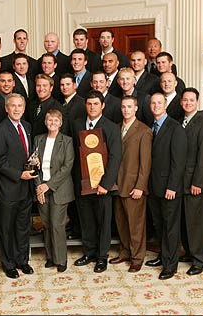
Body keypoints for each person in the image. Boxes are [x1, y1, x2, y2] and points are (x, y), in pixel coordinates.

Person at [72, 90, 122, 273]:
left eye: (96, 104)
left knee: (103, 221)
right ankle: (90, 252)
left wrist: (105, 184)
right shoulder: (77, 124)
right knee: (86, 220)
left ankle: (102, 256)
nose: (92, 107)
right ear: (85, 105)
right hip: (83, 184)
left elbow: (116, 157)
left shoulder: (111, 127)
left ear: (103, 105)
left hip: (102, 186)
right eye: (89, 104)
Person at [0, 93, 36, 279]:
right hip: (9, 188)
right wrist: (19, 174)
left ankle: (22, 260)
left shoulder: (27, 126)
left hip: (26, 189)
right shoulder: (0, 130)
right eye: (13, 106)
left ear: (24, 108)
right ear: (6, 108)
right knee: (7, 228)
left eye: (20, 106)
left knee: (23, 226)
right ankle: (8, 263)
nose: (17, 109)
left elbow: (26, 153)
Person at [144, 93, 187, 281]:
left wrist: (173, 186)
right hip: (153, 186)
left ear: (166, 105)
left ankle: (170, 265)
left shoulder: (175, 128)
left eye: (159, 103)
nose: (156, 106)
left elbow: (179, 162)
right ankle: (163, 255)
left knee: (170, 227)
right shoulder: (149, 127)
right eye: (153, 103)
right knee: (159, 224)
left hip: (169, 187)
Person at [110, 96, 152, 273]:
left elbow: (146, 162)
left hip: (134, 185)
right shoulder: (117, 128)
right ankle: (125, 251)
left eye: (129, 107)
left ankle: (137, 257)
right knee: (122, 223)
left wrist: (140, 186)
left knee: (136, 225)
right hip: (118, 184)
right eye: (123, 107)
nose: (126, 110)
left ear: (135, 108)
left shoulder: (144, 130)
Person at [178, 88, 203, 276]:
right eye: (185, 100)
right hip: (181, 182)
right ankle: (189, 253)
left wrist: (198, 183)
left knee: (196, 224)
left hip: (195, 183)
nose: (188, 103)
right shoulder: (180, 122)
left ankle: (200, 260)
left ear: (197, 103)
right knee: (185, 221)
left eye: (191, 100)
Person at [33, 109, 75, 273]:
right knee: (47, 224)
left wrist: (48, 185)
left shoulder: (67, 141)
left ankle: (61, 259)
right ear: (45, 122)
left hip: (59, 189)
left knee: (57, 225)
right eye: (50, 120)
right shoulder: (38, 139)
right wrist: (38, 186)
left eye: (56, 121)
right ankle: (51, 257)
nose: (52, 123)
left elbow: (67, 167)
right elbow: (34, 164)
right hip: (41, 188)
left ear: (61, 123)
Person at [59, 73, 86, 240]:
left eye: (68, 84)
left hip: (76, 154)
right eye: (62, 85)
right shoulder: (64, 103)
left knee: (77, 195)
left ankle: (78, 229)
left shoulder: (80, 104)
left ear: (75, 85)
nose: (64, 87)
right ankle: (73, 225)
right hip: (65, 153)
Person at [28, 74, 64, 139]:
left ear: (51, 88)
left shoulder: (58, 107)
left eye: (44, 86)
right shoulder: (30, 105)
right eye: (38, 85)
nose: (41, 89)